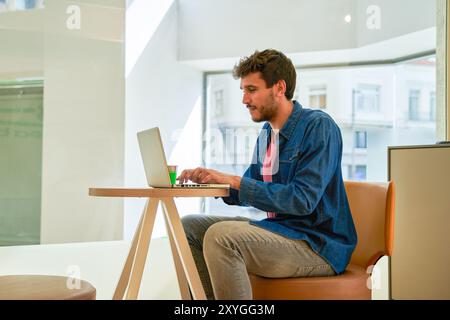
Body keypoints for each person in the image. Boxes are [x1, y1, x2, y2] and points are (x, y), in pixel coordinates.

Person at [178, 49, 357, 300]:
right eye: (243, 90)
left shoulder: (318, 126)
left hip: (317, 244)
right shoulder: (267, 133)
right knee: (188, 226)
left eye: (251, 90)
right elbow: (250, 189)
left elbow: (302, 200)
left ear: (279, 88)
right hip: (280, 231)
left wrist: (235, 181)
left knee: (222, 237)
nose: (244, 99)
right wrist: (213, 181)